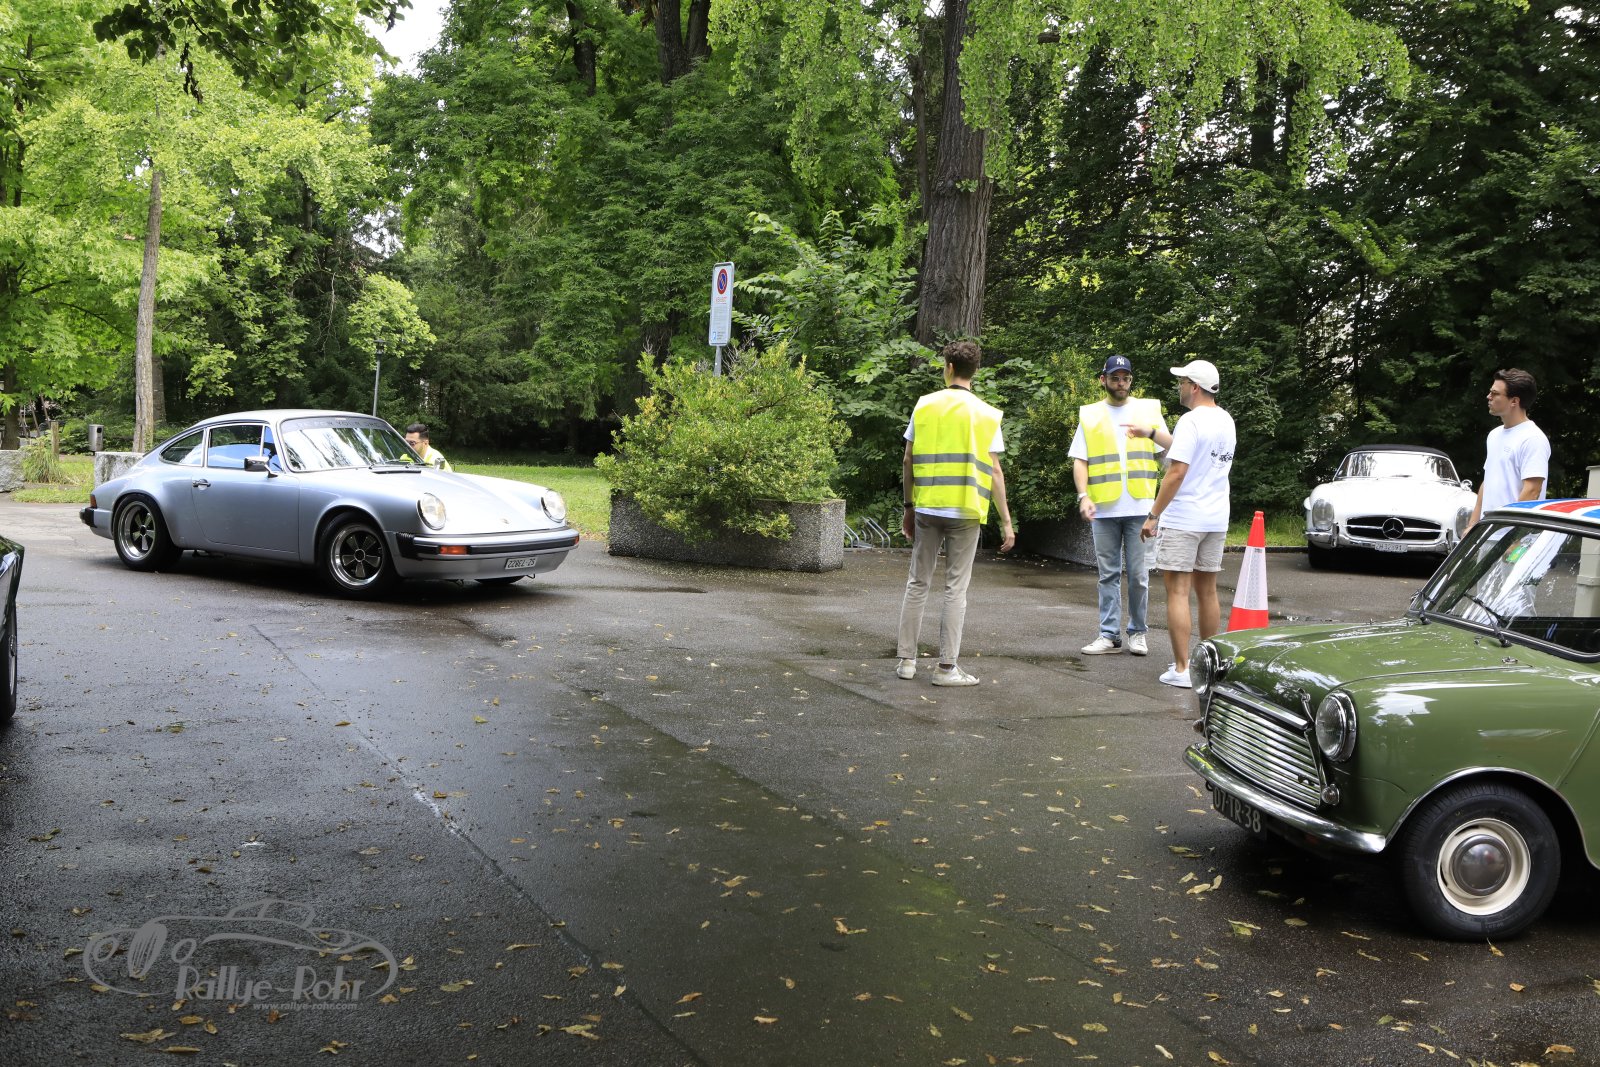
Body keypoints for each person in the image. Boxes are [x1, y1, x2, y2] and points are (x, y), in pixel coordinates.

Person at [896, 340, 1016, 687]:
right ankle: (947, 668)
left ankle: (906, 661)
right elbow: (995, 471)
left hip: (928, 506)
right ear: (974, 371)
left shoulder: (925, 405)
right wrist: (1007, 522)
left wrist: (908, 506)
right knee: (955, 589)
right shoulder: (987, 414)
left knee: (918, 582)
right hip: (966, 509)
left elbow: (908, 458)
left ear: (948, 367)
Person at [1131, 359, 1235, 689]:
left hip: (1185, 518)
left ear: (1194, 387)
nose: (1180, 387)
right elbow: (1186, 448)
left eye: (1183, 382)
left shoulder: (1191, 421)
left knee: (1177, 591)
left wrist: (1153, 515)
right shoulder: (1225, 420)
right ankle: (1210, 667)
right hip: (1215, 518)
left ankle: (1182, 669)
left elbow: (1177, 472)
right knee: (1207, 592)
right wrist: (1150, 433)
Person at [1070, 354, 1168, 657]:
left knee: (1139, 575)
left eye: (1126, 378)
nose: (1121, 383)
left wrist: (1163, 505)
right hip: (1104, 508)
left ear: (1131, 380)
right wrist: (1083, 496)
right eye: (1115, 378)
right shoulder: (1091, 415)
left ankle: (1138, 632)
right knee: (1108, 575)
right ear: (1104, 380)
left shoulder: (1148, 410)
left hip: (1141, 507)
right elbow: (1080, 460)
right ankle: (1109, 635)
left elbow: (1169, 452)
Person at [1468, 368, 1549, 525]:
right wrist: (1472, 525)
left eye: (1495, 393)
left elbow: (1532, 491)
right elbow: (1488, 482)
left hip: (1514, 535)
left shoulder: (1533, 439)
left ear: (1514, 401)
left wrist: (1511, 535)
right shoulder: (1494, 435)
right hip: (1487, 531)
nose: (1488, 396)